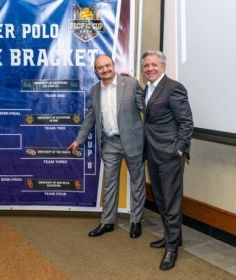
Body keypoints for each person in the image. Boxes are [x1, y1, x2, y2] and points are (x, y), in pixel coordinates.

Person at [68, 55, 146, 239]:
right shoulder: (95, 90)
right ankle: (107, 221)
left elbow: (146, 107)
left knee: (137, 181)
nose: (105, 70)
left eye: (107, 65)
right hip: (110, 142)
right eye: (100, 67)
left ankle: (136, 220)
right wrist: (79, 140)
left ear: (113, 65)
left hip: (133, 141)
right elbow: (91, 117)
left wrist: (140, 87)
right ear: (96, 71)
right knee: (109, 183)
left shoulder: (131, 84)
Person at [141, 50, 193, 271]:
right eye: (146, 66)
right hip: (152, 152)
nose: (149, 68)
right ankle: (173, 237)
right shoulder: (148, 88)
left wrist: (180, 148)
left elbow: (187, 122)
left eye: (153, 64)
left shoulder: (174, 87)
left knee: (171, 201)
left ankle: (171, 249)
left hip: (170, 154)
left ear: (162, 66)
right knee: (161, 199)